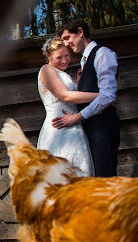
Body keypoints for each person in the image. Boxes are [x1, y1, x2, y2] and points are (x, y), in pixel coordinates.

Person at [52, 19, 120, 177]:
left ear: (81, 32)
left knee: (105, 175)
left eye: (67, 38)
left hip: (103, 125)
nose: (66, 44)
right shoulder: (84, 61)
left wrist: (77, 117)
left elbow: (108, 95)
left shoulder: (103, 54)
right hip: (90, 126)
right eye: (63, 40)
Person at [36, 37, 96, 175]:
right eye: (59, 57)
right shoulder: (46, 70)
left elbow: (73, 97)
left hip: (73, 125)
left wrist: (79, 83)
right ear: (48, 56)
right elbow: (65, 96)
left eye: (67, 55)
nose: (64, 61)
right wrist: (102, 97)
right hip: (58, 128)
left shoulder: (64, 74)